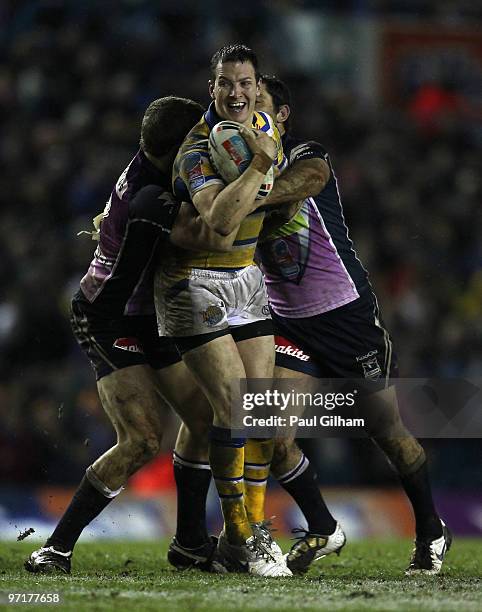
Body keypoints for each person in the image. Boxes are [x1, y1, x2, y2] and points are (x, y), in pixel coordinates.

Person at [24, 95, 253, 575]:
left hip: (149, 313)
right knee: (142, 440)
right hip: (110, 315)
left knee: (208, 420)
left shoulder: (157, 175)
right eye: (194, 140)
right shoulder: (153, 199)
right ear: (175, 148)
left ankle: (190, 542)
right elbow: (128, 279)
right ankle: (56, 547)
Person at [254, 75, 452, 576]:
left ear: (281, 116)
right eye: (242, 103)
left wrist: (257, 196)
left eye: (259, 104)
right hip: (290, 326)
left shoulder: (303, 154)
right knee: (273, 435)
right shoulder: (229, 173)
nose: (246, 111)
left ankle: (431, 529)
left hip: (347, 319)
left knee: (386, 431)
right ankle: (323, 526)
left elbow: (312, 180)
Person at [155, 44, 291, 577]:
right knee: (232, 408)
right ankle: (236, 536)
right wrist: (259, 165)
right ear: (210, 88)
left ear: (259, 87)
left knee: (258, 412)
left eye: (244, 82)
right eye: (224, 83)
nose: (236, 92)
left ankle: (249, 531)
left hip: (245, 276)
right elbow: (218, 223)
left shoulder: (262, 122)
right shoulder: (196, 150)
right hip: (194, 282)